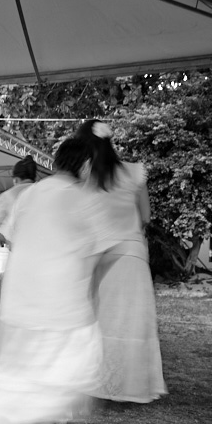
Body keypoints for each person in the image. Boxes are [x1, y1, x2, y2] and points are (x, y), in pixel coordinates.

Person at [0, 137, 106, 424]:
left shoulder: (33, 194)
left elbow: (10, 236)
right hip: (57, 294)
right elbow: (91, 250)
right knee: (64, 362)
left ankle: (32, 421)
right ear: (85, 165)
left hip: (24, 291)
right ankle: (30, 421)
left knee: (28, 363)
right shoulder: (80, 198)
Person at [79, 119, 166, 403]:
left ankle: (101, 383)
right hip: (132, 254)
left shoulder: (88, 177)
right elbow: (146, 216)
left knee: (103, 320)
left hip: (102, 256)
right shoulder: (134, 172)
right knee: (132, 322)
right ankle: (134, 386)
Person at [0, 155, 37, 247]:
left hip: (17, 252)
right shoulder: (45, 192)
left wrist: (10, 243)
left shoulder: (6, 196)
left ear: (15, 179)